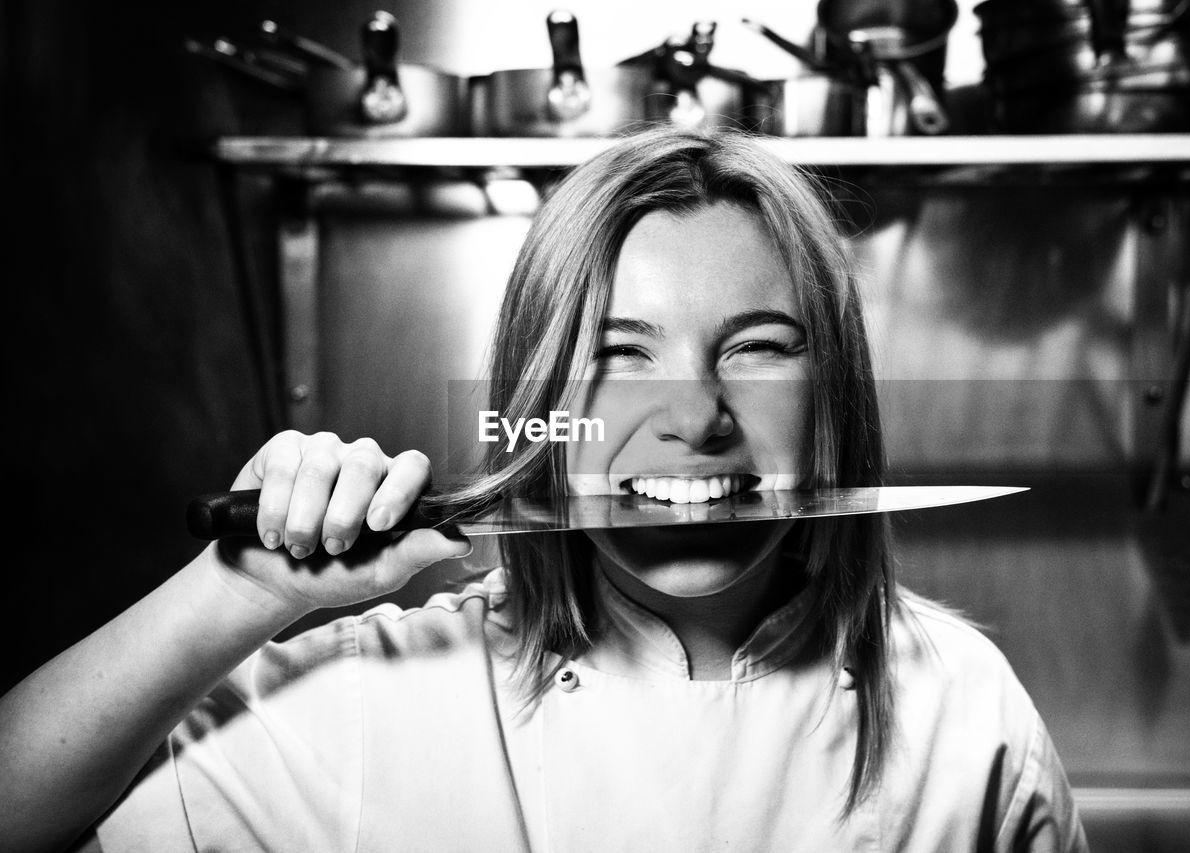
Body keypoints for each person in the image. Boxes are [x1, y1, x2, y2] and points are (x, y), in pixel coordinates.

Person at [0, 127, 1088, 852]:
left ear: (834, 403)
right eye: (618, 353)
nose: (695, 414)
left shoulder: (960, 706)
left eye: (758, 347)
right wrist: (233, 595)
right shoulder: (372, 697)